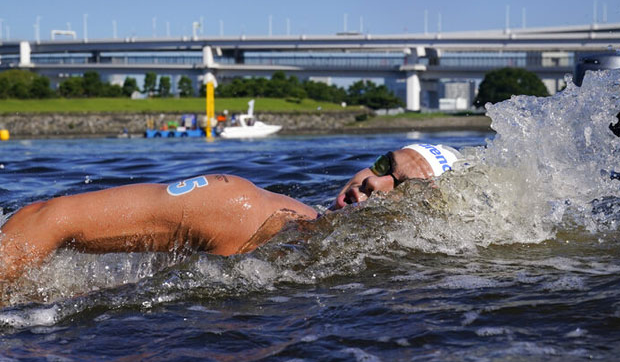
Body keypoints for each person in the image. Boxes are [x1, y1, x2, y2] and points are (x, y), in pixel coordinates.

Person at [0, 144, 459, 282]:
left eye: (400, 185)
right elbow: (46, 217)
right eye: (382, 166)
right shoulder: (237, 206)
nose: (372, 183)